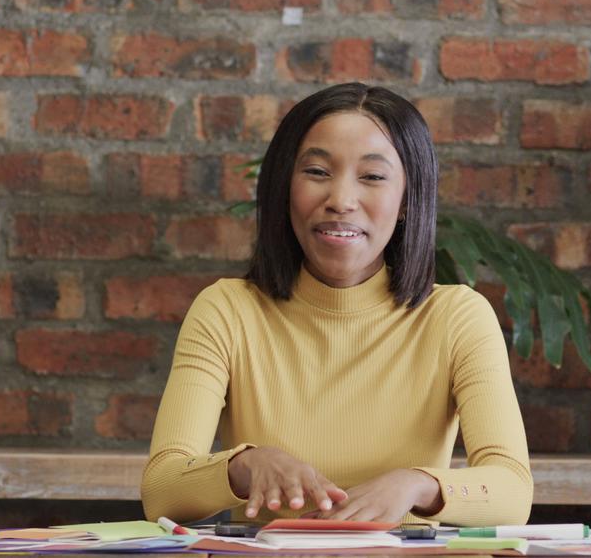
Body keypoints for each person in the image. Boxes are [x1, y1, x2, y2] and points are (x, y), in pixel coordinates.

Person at [141, 82, 532, 526]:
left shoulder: (458, 317)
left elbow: (513, 491)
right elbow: (162, 489)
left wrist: (416, 485)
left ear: (407, 200)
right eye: (317, 172)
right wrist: (242, 466)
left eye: (372, 177)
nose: (341, 201)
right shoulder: (226, 311)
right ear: (284, 187)